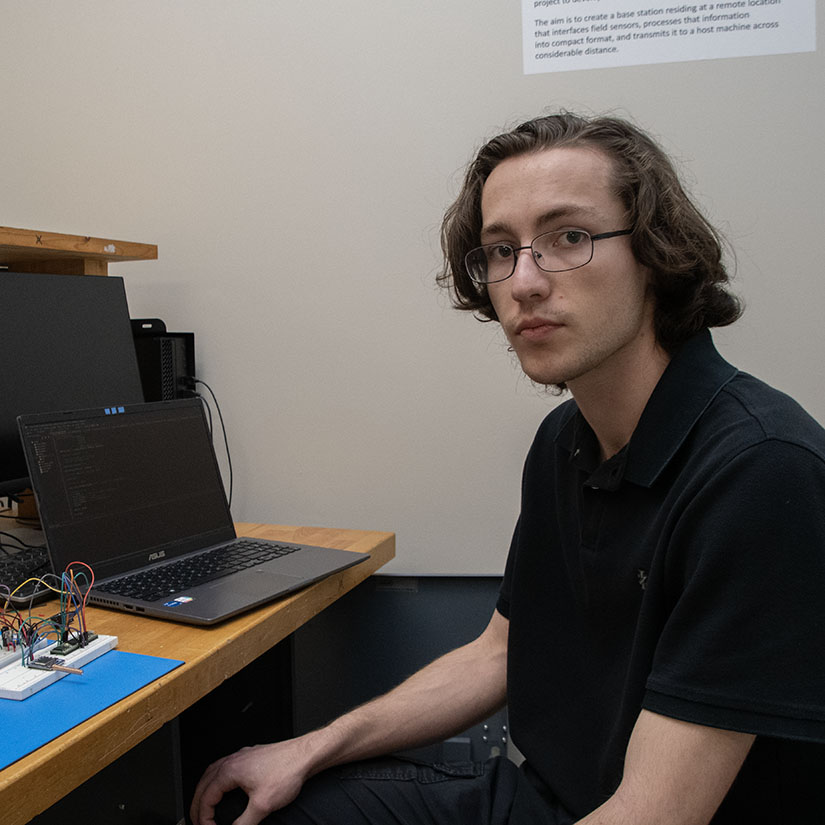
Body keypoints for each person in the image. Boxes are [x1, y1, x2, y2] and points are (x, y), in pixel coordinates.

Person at [190, 112, 825, 825]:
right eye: (499, 250)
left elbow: (656, 812)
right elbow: (499, 650)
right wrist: (312, 745)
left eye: (568, 238)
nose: (522, 281)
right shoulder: (566, 438)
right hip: (542, 799)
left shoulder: (761, 470)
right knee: (272, 810)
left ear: (653, 253)